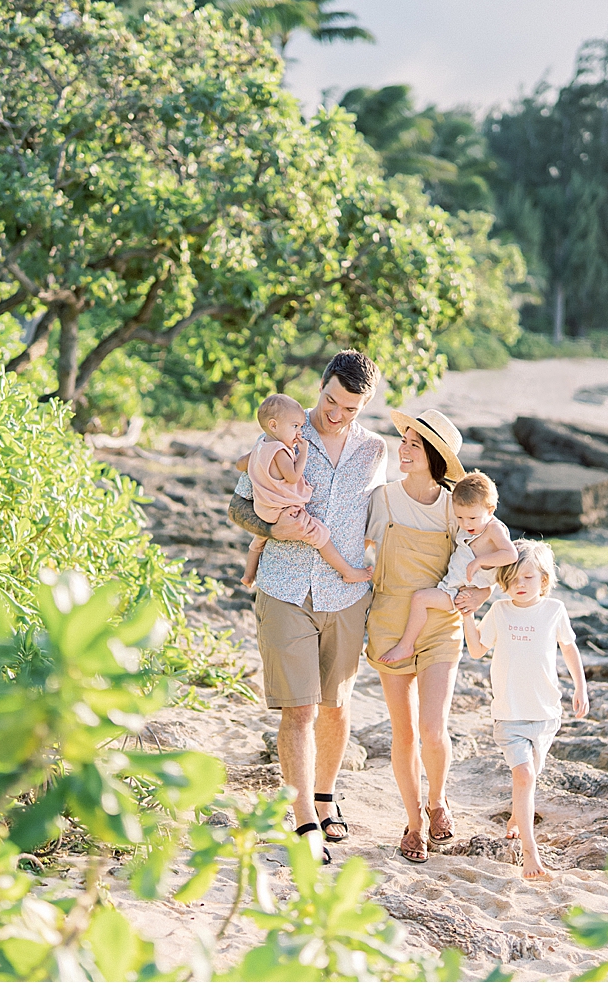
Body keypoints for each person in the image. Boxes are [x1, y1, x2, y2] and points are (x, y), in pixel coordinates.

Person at [227, 351, 386, 860]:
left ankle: (324, 797)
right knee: (298, 710)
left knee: (334, 707)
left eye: (350, 409)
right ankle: (303, 825)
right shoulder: (280, 437)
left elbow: (393, 516)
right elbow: (237, 506)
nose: (336, 415)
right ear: (320, 388)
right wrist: (273, 528)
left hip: (345, 596)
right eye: (330, 401)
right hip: (284, 587)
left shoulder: (375, 451)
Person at [363, 408, 470, 864]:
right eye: (403, 440)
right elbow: (361, 555)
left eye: (413, 444)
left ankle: (438, 799)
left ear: (433, 456)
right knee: (404, 733)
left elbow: (480, 559)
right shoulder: (382, 498)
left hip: (442, 625)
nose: (402, 449)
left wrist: (480, 595)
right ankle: (413, 823)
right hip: (389, 624)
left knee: (432, 728)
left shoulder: (453, 506)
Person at [465, 539, 589, 880]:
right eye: (514, 578)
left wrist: (581, 686)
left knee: (530, 778)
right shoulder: (500, 611)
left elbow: (569, 648)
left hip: (546, 714)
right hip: (509, 715)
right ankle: (530, 857)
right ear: (504, 580)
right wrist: (468, 615)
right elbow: (476, 649)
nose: (520, 585)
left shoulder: (554, 611)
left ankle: (516, 816)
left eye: (528, 578)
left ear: (544, 581)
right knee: (525, 776)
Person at [378, 470, 517, 666]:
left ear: (491, 510)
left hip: (459, 591)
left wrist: (479, 561)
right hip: (453, 584)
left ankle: (406, 645)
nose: (465, 524)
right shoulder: (471, 525)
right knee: (419, 599)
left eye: (472, 518)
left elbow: (511, 554)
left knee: (419, 599)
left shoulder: (493, 529)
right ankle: (408, 644)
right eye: (460, 517)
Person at [241, 392, 374, 588]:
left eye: (301, 426)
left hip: (265, 510)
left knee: (259, 540)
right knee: (319, 535)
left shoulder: (261, 446)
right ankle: (348, 571)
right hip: (284, 511)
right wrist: (302, 453)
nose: (300, 433)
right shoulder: (279, 450)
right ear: (273, 425)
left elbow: (239, 464)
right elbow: (293, 476)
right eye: (295, 426)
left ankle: (248, 575)